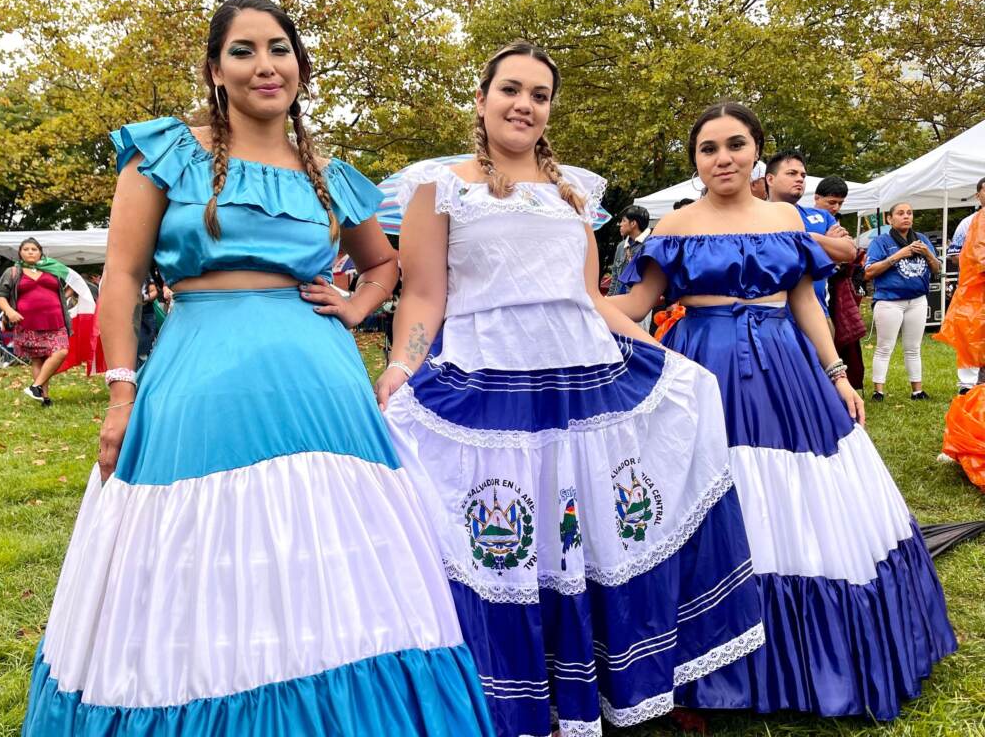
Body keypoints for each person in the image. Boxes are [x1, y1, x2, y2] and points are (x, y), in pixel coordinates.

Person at [22, 0, 492, 737]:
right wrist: (120, 391)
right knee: (196, 551)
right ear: (215, 69)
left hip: (320, 385)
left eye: (279, 48)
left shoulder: (329, 172)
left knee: (326, 556)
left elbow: (385, 263)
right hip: (198, 372)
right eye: (243, 50)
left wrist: (355, 304)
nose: (265, 65)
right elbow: (119, 274)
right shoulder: (167, 151)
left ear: (300, 66)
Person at [365, 41, 762, 737]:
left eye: (539, 95)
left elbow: (590, 302)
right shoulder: (439, 188)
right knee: (513, 545)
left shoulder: (574, 193)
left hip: (583, 383)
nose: (524, 104)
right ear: (483, 98)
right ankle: (521, 701)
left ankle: (599, 689)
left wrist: (662, 357)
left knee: (583, 539)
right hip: (489, 384)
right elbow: (423, 296)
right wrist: (403, 368)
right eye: (511, 90)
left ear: (550, 109)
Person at [613, 101, 955, 720]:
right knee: (703, 493)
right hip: (701, 370)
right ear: (695, 161)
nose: (723, 158)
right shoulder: (673, 227)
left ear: (757, 153)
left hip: (785, 369)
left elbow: (803, 299)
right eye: (708, 148)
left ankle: (805, 660)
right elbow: (634, 303)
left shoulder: (786, 217)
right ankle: (705, 659)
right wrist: (593, 313)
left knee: (799, 491)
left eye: (735, 145)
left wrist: (836, 375)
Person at [864, 202, 941, 400]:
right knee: (884, 347)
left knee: (913, 347)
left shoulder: (922, 239)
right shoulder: (881, 242)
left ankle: (917, 390)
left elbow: (936, 268)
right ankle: (878, 391)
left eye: (909, 213)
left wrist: (927, 253)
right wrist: (898, 255)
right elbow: (869, 271)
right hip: (890, 301)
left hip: (917, 300)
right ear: (890, 219)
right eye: (900, 213)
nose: (906, 216)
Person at [765, 150, 856, 317]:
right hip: (772, 316)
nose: (800, 178)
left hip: (818, 313)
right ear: (770, 179)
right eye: (792, 173)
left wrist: (811, 238)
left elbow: (849, 252)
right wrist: (826, 247)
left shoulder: (822, 216)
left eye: (803, 175)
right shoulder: (755, 217)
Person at [0, 238, 73, 406]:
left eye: (34, 249)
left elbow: (66, 288)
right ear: (20, 253)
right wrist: (9, 311)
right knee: (38, 359)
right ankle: (44, 398)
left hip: (56, 321)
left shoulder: (52, 270)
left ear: (40, 252)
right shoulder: (13, 271)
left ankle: (35, 387)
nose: (30, 252)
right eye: (26, 249)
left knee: (61, 352)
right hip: (28, 323)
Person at [934, 177, 985, 394]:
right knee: (971, 335)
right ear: (978, 195)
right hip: (973, 291)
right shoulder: (968, 223)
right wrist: (975, 258)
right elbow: (954, 255)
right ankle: (968, 387)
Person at [816, 176, 867, 389]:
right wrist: (827, 243)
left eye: (840, 203)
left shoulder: (837, 225)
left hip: (835, 294)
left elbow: (849, 253)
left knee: (837, 345)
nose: (836, 207)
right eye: (831, 202)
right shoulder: (802, 219)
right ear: (817, 198)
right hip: (814, 295)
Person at [606, 204, 651, 297]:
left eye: (623, 221)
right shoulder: (621, 246)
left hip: (637, 303)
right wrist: (610, 298)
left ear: (633, 223)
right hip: (617, 300)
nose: (620, 224)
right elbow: (614, 276)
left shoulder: (650, 245)